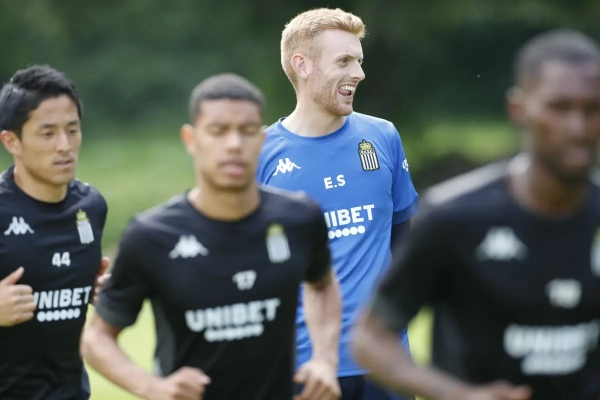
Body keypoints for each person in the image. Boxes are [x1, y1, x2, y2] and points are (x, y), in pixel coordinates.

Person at [351, 29, 600, 400]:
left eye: (593, 109)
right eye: (560, 108)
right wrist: (458, 394)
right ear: (519, 109)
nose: (578, 128)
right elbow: (370, 338)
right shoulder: (455, 219)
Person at [81, 73, 343, 400]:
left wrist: (325, 360)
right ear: (191, 140)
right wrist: (153, 387)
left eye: (247, 130)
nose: (234, 144)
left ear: (261, 140)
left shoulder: (299, 218)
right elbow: (97, 338)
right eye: (218, 131)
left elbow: (323, 285)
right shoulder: (151, 236)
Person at [256, 7, 419, 400]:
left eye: (359, 61)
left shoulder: (382, 136)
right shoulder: (259, 153)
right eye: (344, 61)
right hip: (304, 369)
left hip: (386, 364)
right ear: (302, 65)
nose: (358, 73)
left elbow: (404, 240)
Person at [0, 65, 110, 399]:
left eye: (72, 130)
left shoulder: (91, 206)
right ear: (11, 141)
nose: (64, 145)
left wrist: (96, 289)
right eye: (47, 134)